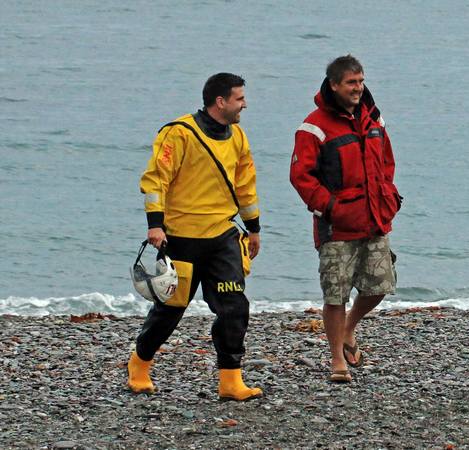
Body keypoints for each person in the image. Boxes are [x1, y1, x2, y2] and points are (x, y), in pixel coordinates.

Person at [127, 73, 263, 401]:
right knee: (170, 310)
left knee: (234, 307)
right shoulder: (178, 133)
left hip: (222, 236)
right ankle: (139, 364)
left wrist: (254, 228)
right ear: (220, 102)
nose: (245, 103)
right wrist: (155, 225)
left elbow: (245, 186)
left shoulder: (238, 137)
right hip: (181, 239)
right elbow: (155, 180)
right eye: (239, 98)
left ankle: (230, 380)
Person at [290, 55, 402, 383]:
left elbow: (387, 163)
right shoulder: (313, 125)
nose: (358, 88)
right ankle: (337, 359)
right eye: (351, 83)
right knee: (335, 295)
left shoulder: (374, 119)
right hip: (336, 226)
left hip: (375, 218)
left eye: (361, 81)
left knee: (381, 286)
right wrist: (331, 207)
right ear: (334, 84)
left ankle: (350, 327)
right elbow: (301, 176)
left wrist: (388, 196)